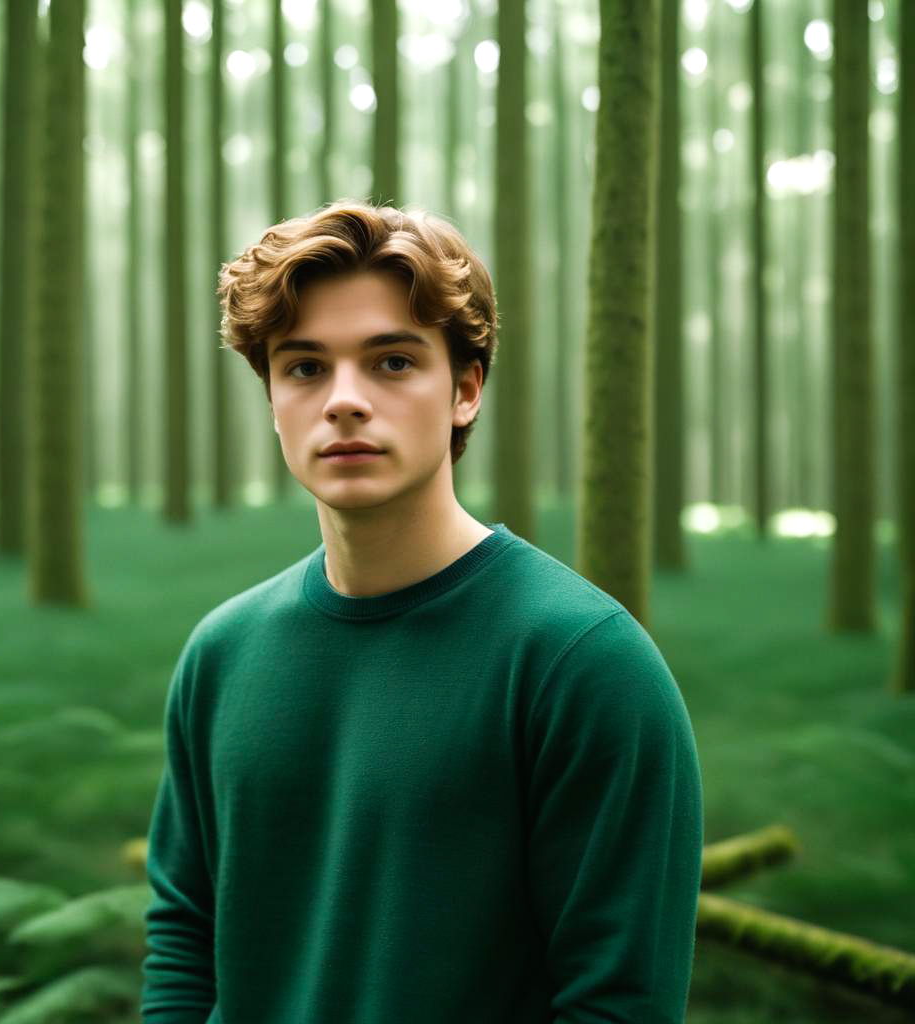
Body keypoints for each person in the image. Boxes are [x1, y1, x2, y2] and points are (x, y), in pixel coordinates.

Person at [140, 199, 704, 1024]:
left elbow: (620, 1002)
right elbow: (185, 942)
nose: (343, 401)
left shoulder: (582, 665)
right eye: (303, 368)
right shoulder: (221, 654)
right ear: (271, 399)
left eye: (392, 362)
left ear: (465, 389)